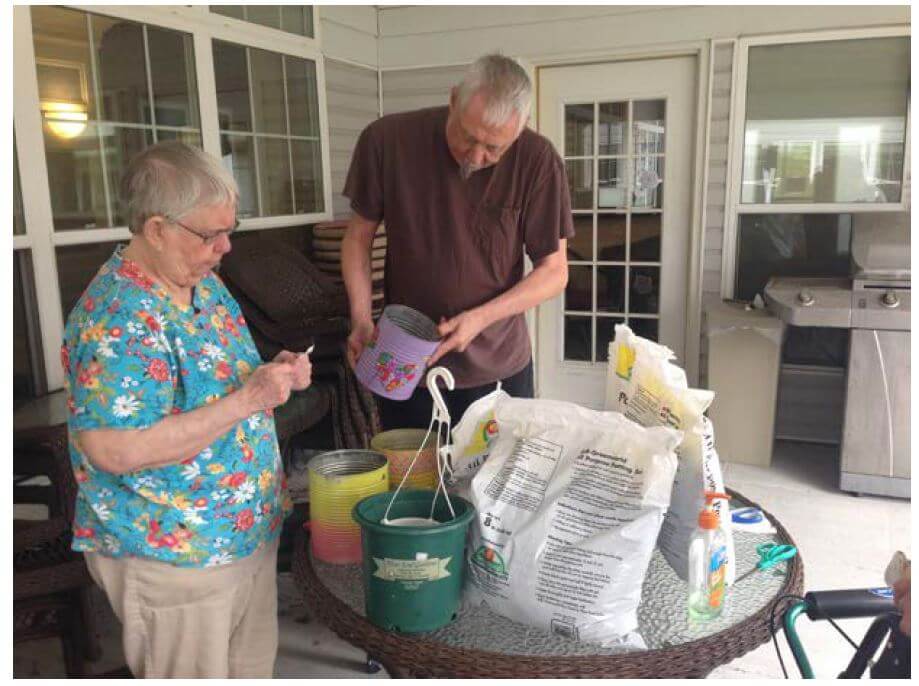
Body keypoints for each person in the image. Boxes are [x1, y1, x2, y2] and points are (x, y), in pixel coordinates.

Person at [61, 141, 311, 678]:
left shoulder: (202, 282)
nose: (224, 247)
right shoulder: (118, 317)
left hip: (243, 536)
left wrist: (273, 373)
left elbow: (213, 379)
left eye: (229, 230)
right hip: (176, 555)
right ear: (156, 229)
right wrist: (250, 399)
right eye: (210, 234)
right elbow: (114, 449)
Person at [342, 53, 573, 429]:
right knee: (413, 481)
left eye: (494, 148)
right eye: (468, 137)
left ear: (521, 128)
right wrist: (361, 317)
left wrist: (480, 318)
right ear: (453, 100)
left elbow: (554, 271)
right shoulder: (386, 141)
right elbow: (357, 239)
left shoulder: (538, 160)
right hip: (405, 359)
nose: (477, 156)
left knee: (493, 485)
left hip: (499, 364)